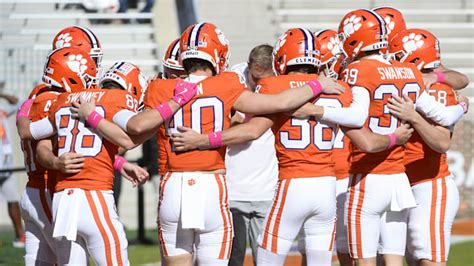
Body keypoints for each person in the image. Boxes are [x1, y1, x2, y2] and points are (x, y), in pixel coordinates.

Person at [70, 22, 345, 266]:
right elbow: (278, 103)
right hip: (212, 187)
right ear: (218, 54)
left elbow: (131, 136)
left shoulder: (160, 88)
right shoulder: (225, 83)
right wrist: (316, 85)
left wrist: (94, 118)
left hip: (173, 188)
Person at [169, 27, 413, 266]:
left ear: (283, 57)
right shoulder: (339, 91)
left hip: (292, 184)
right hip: (326, 189)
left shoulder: (274, 86)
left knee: (267, 258)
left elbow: (252, 130)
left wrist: (202, 140)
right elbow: (368, 142)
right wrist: (394, 138)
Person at [330, 9, 466, 266]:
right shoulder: (408, 72)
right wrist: (462, 107)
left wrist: (319, 108)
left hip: (386, 175)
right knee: (394, 257)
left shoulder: (362, 70)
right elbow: (449, 107)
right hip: (399, 178)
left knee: (411, 258)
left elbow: (458, 82)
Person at [17, 49, 150, 265]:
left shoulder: (58, 100)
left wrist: (23, 110)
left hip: (60, 198)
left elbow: (29, 132)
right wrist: (170, 107)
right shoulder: (102, 99)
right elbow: (128, 137)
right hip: (82, 194)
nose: (92, 78)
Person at [388, 28, 462, 266]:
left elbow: (441, 143)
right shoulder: (399, 82)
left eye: (397, 55)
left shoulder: (437, 89)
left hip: (428, 184)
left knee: (428, 260)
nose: (391, 59)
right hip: (399, 183)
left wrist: (415, 117)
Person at [226, 44, 278, 266]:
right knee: (232, 259)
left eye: (264, 79)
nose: (260, 84)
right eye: (256, 78)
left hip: (266, 186)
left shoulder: (279, 82)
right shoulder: (230, 81)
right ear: (248, 67)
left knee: (265, 259)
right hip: (232, 187)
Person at [0, 92, 25, 248]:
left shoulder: (2, 110)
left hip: (6, 166)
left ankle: (20, 235)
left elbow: (18, 103)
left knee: (13, 201)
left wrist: (1, 94)